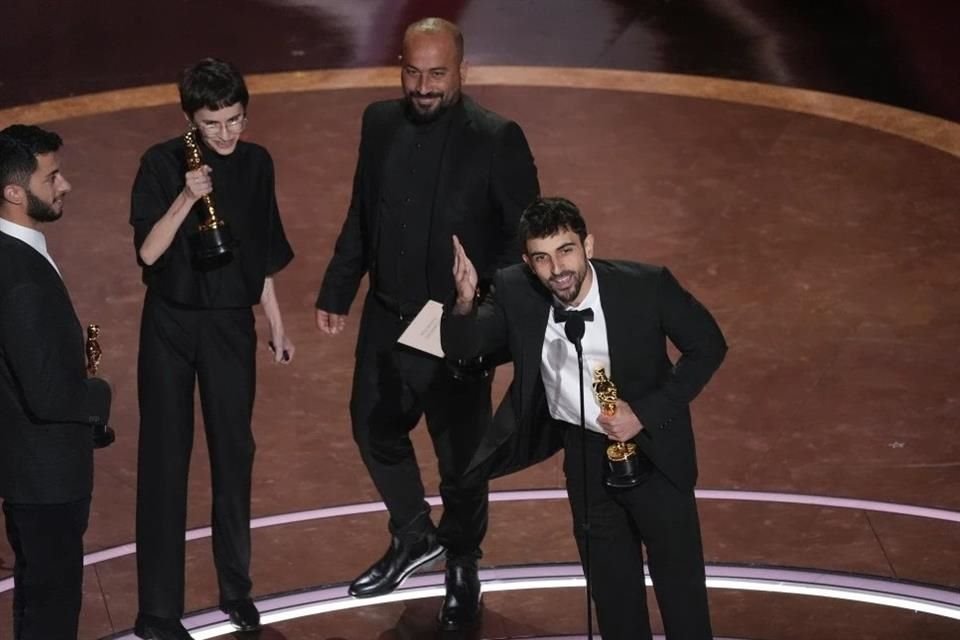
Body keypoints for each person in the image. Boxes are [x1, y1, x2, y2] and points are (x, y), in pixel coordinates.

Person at [314, 17, 539, 631]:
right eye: (413, 72)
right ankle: (414, 534)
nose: (423, 85)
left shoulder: (498, 138)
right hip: (388, 314)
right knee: (373, 427)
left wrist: (481, 308)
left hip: (455, 323)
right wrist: (339, 286)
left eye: (437, 73)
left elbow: (526, 246)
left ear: (462, 70)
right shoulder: (378, 123)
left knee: (461, 460)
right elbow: (363, 211)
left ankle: (463, 566)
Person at [442, 197, 727, 640]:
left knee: (681, 592)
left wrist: (644, 414)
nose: (557, 269)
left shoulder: (646, 286)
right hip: (586, 457)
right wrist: (463, 301)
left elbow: (708, 344)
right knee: (613, 600)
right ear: (527, 262)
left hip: (655, 453)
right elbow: (466, 347)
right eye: (542, 257)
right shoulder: (517, 289)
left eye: (566, 250)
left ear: (588, 245)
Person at [130, 58, 295, 640]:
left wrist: (275, 321)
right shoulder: (160, 162)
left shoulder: (256, 163)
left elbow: (263, 250)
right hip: (170, 325)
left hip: (230, 326)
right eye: (213, 123)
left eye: (235, 120)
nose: (227, 133)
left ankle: (236, 590)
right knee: (165, 461)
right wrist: (184, 196)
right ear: (189, 119)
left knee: (234, 456)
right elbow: (149, 254)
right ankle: (156, 610)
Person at [0, 125, 113, 640]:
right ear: (14, 192)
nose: (64, 184)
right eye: (53, 176)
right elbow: (47, 392)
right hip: (46, 477)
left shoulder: (16, 255)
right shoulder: (20, 275)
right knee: (50, 610)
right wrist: (98, 396)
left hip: (31, 471)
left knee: (39, 600)